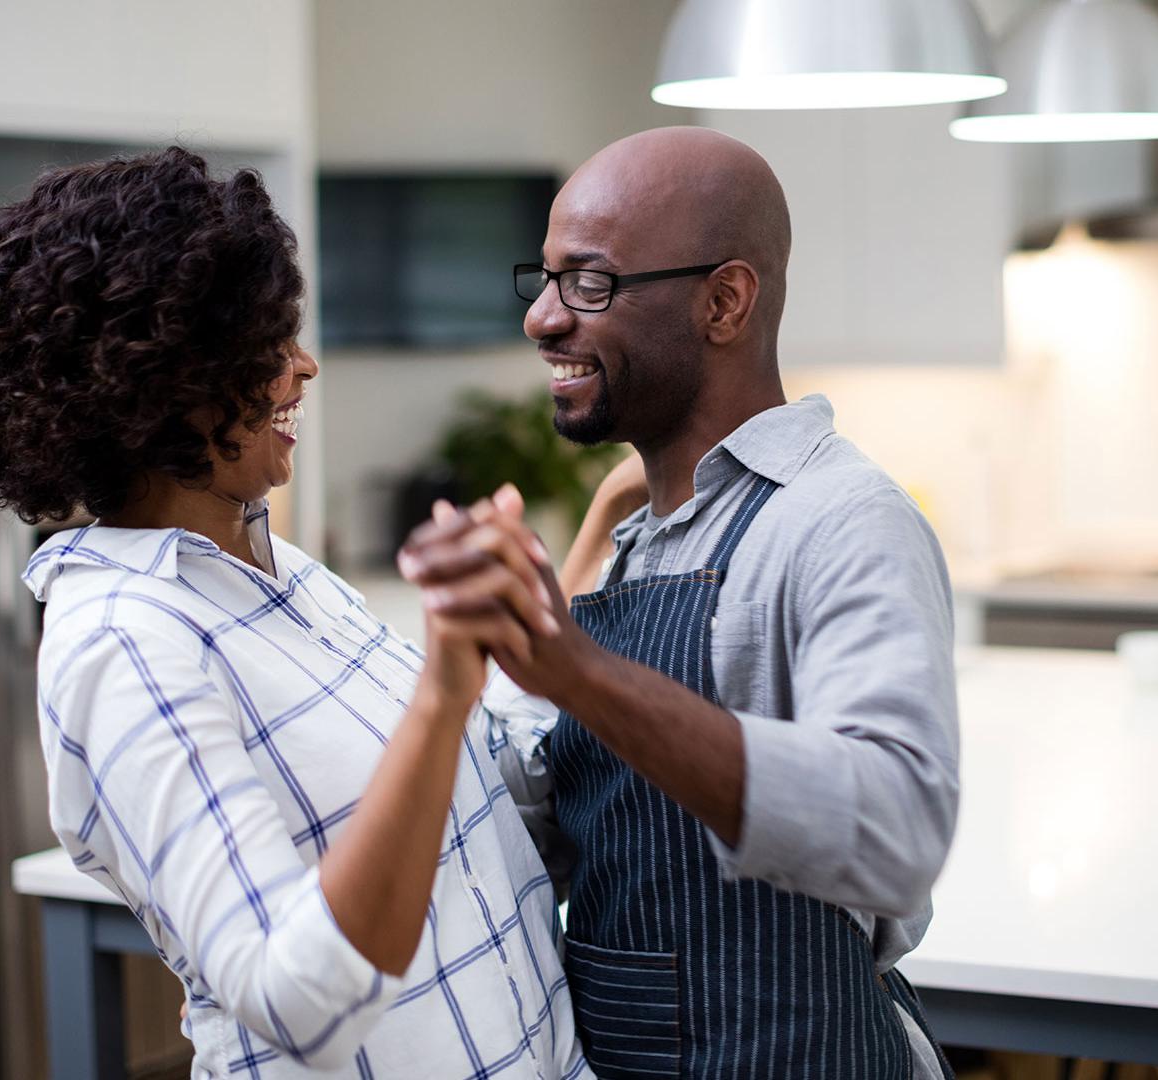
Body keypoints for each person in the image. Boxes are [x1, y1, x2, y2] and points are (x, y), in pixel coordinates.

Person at [0, 146, 592, 1079]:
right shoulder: (123, 642)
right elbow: (298, 998)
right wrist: (443, 689)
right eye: (266, 347)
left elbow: (485, 804)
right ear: (159, 381)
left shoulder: (289, 578)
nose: (303, 367)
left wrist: (597, 541)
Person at [402, 126, 962, 1079]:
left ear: (723, 302)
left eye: (590, 282)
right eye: (541, 280)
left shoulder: (840, 520)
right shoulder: (637, 549)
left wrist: (577, 670)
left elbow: (898, 831)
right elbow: (556, 828)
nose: (542, 318)